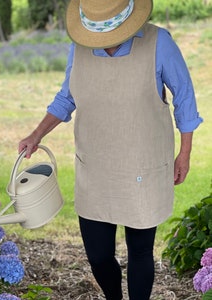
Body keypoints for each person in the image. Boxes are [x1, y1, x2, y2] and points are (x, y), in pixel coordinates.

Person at [18, 0, 203, 299]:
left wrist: (185, 153)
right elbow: (67, 97)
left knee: (140, 251)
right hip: (95, 165)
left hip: (142, 165)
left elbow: (185, 98)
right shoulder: (79, 47)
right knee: (98, 255)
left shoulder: (159, 43)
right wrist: (36, 134)